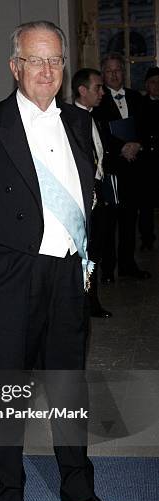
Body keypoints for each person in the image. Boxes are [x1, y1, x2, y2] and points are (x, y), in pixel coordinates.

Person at [0, 21, 118, 501]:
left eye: (56, 61)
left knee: (69, 384)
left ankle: (77, 485)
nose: (47, 71)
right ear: (14, 66)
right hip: (7, 280)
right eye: (36, 60)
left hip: (67, 276)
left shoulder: (77, 121)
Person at [93, 52, 150, 282]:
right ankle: (108, 270)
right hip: (113, 170)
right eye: (109, 71)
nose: (114, 74)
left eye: (118, 70)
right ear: (103, 75)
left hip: (136, 169)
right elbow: (100, 132)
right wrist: (122, 147)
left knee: (130, 220)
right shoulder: (98, 100)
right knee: (109, 222)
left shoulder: (137, 97)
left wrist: (138, 144)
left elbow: (148, 126)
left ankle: (128, 265)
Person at [72, 67, 114, 318]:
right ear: (82, 90)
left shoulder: (93, 117)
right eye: (98, 88)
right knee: (85, 251)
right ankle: (87, 302)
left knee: (95, 249)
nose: (102, 93)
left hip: (98, 190)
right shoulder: (70, 119)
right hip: (83, 195)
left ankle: (91, 300)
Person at [138, 66, 159, 250]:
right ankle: (146, 239)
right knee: (145, 204)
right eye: (153, 82)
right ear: (146, 85)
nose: (157, 86)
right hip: (145, 162)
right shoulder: (139, 104)